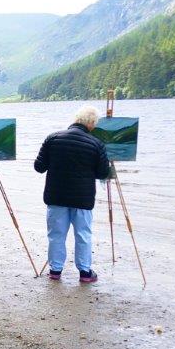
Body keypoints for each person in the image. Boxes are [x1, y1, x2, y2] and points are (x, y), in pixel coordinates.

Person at [34, 105, 111, 283]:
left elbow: (39, 167)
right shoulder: (97, 144)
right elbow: (102, 174)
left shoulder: (52, 138)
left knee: (56, 235)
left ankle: (55, 270)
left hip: (56, 197)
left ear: (75, 119)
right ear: (91, 124)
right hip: (82, 199)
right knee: (83, 235)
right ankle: (84, 272)